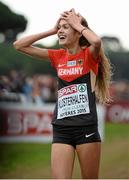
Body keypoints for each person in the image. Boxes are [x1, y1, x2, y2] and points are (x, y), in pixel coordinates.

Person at [13, 8, 112, 179]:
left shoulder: (88, 55)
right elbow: (18, 45)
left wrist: (77, 24)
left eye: (66, 27)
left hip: (85, 128)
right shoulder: (58, 56)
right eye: (60, 27)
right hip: (62, 128)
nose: (60, 30)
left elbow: (96, 41)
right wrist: (52, 30)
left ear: (77, 32)